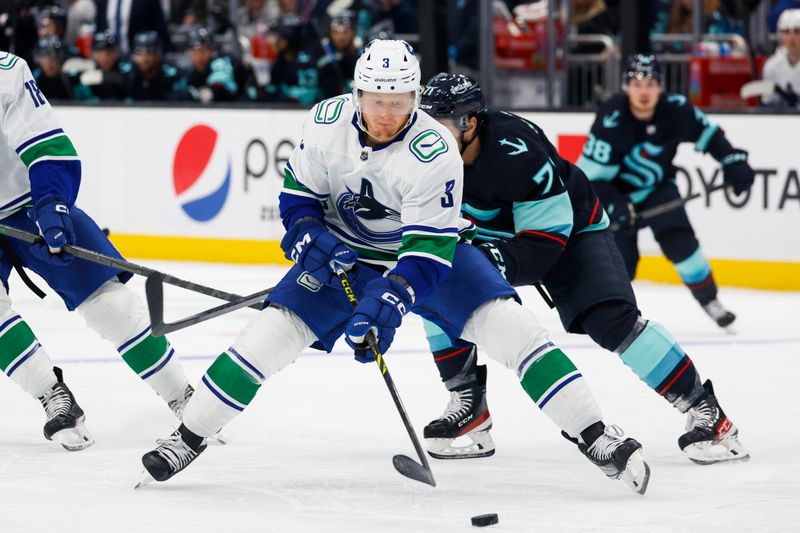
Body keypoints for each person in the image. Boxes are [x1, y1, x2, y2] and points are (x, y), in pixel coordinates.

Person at [139, 39, 651, 494]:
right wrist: (308, 238)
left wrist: (391, 297)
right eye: (378, 101)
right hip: (344, 253)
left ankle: (595, 435)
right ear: (357, 94)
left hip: (432, 259)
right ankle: (188, 437)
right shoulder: (323, 124)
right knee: (264, 338)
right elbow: (297, 199)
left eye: (400, 102)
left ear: (414, 99)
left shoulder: (434, 151)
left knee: (518, 332)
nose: (388, 112)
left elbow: (427, 252)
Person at [415, 72, 749, 467]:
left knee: (611, 321)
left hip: (570, 233)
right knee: (435, 283)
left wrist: (498, 257)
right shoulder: (423, 155)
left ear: (469, 123)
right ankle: (469, 404)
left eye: (439, 125)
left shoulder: (515, 149)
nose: (428, 137)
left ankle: (708, 412)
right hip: (499, 239)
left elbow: (545, 242)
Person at [0, 49, 194, 450]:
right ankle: (53, 397)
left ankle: (183, 397)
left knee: (110, 306)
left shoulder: (6, 71)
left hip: (28, 203)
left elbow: (45, 145)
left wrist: (52, 207)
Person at [576, 54, 755, 330]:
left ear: (661, 86)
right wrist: (613, 204)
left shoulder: (676, 109)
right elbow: (589, 180)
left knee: (681, 243)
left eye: (650, 83)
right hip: (617, 194)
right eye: (636, 83)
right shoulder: (611, 118)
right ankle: (597, 306)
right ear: (626, 86)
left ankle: (710, 301)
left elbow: (710, 135)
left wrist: (733, 161)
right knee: (623, 263)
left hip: (659, 190)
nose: (644, 91)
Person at [180, 27, 243, 103]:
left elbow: (220, 88)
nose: (206, 54)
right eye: (199, 50)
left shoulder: (220, 62)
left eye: (207, 49)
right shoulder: (189, 70)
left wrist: (208, 92)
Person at [127, 31, 184, 101]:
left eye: (149, 52)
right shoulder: (127, 75)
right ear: (133, 56)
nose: (145, 58)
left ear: (158, 55)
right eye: (139, 52)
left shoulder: (172, 75)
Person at [75, 30, 131, 101]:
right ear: (92, 54)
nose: (105, 56)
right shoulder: (84, 74)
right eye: (100, 51)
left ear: (116, 53)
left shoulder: (127, 73)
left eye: (109, 51)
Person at [317, 10, 360, 99]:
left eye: (345, 31)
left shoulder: (363, 56)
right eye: (336, 32)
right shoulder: (322, 57)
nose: (340, 37)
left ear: (353, 32)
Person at [762, 9, 800, 108]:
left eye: (797, 31)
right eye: (786, 32)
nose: (792, 37)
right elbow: (767, 101)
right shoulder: (772, 65)